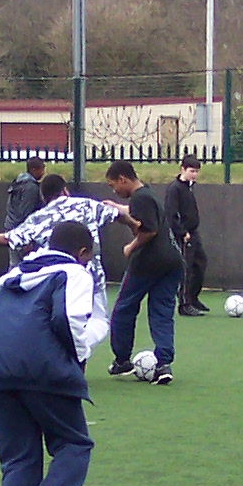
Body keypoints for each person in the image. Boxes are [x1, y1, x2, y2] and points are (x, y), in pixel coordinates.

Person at [0, 220, 108, 486]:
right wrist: (79, 357)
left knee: (19, 457)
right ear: (82, 252)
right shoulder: (74, 272)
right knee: (74, 443)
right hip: (41, 367)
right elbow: (68, 319)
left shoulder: (16, 272)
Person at [0, 171, 129, 321]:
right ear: (65, 190)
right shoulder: (87, 205)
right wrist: (135, 225)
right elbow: (118, 214)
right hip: (93, 280)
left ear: (43, 197)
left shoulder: (39, 218)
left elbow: (9, 238)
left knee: (63, 325)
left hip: (59, 283)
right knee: (97, 325)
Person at [105, 160, 183, 383]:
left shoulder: (139, 198)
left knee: (124, 309)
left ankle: (122, 360)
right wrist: (116, 207)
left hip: (148, 263)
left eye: (113, 185)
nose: (114, 190)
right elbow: (138, 214)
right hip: (173, 262)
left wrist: (131, 247)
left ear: (123, 179)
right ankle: (164, 364)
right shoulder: (147, 193)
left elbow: (149, 230)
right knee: (162, 312)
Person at [166, 157, 210, 314]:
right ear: (182, 169)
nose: (194, 174)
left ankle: (193, 298)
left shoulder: (189, 187)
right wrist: (182, 232)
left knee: (201, 264)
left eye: (197, 171)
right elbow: (171, 214)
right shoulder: (175, 189)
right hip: (184, 235)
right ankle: (184, 305)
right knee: (186, 269)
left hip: (193, 233)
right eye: (192, 171)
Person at [3, 155, 47, 232]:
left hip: (11, 225)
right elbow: (27, 212)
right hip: (21, 229)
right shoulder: (31, 187)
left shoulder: (18, 182)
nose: (43, 173)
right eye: (42, 169)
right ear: (34, 170)